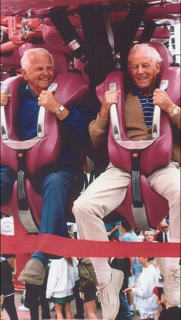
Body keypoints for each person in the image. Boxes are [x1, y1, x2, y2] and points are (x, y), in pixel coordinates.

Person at [72, 43, 180, 319]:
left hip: (162, 165)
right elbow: (95, 140)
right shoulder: (117, 95)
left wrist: (172, 109)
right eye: (135, 66)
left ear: (158, 67)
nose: (140, 71)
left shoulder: (174, 90)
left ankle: (173, 266)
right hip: (122, 167)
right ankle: (106, 279)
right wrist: (104, 111)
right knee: (82, 206)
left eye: (146, 66)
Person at [0, 48, 94, 285]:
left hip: (59, 168)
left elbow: (89, 135)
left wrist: (59, 110)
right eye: (39, 69)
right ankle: (72, 255)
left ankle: (40, 257)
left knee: (55, 183)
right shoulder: (13, 98)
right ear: (24, 73)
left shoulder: (69, 94)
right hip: (15, 167)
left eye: (49, 68)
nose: (46, 73)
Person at [120, 220, 142, 317]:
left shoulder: (125, 237)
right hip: (138, 264)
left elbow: (130, 255)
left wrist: (129, 268)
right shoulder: (133, 235)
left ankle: (130, 308)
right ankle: (137, 306)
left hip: (132, 265)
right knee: (136, 285)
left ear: (122, 227)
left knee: (130, 287)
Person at [0, 255, 18, 320]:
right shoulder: (6, 265)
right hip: (8, 293)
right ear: (10, 258)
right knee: (12, 314)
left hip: (2, 294)